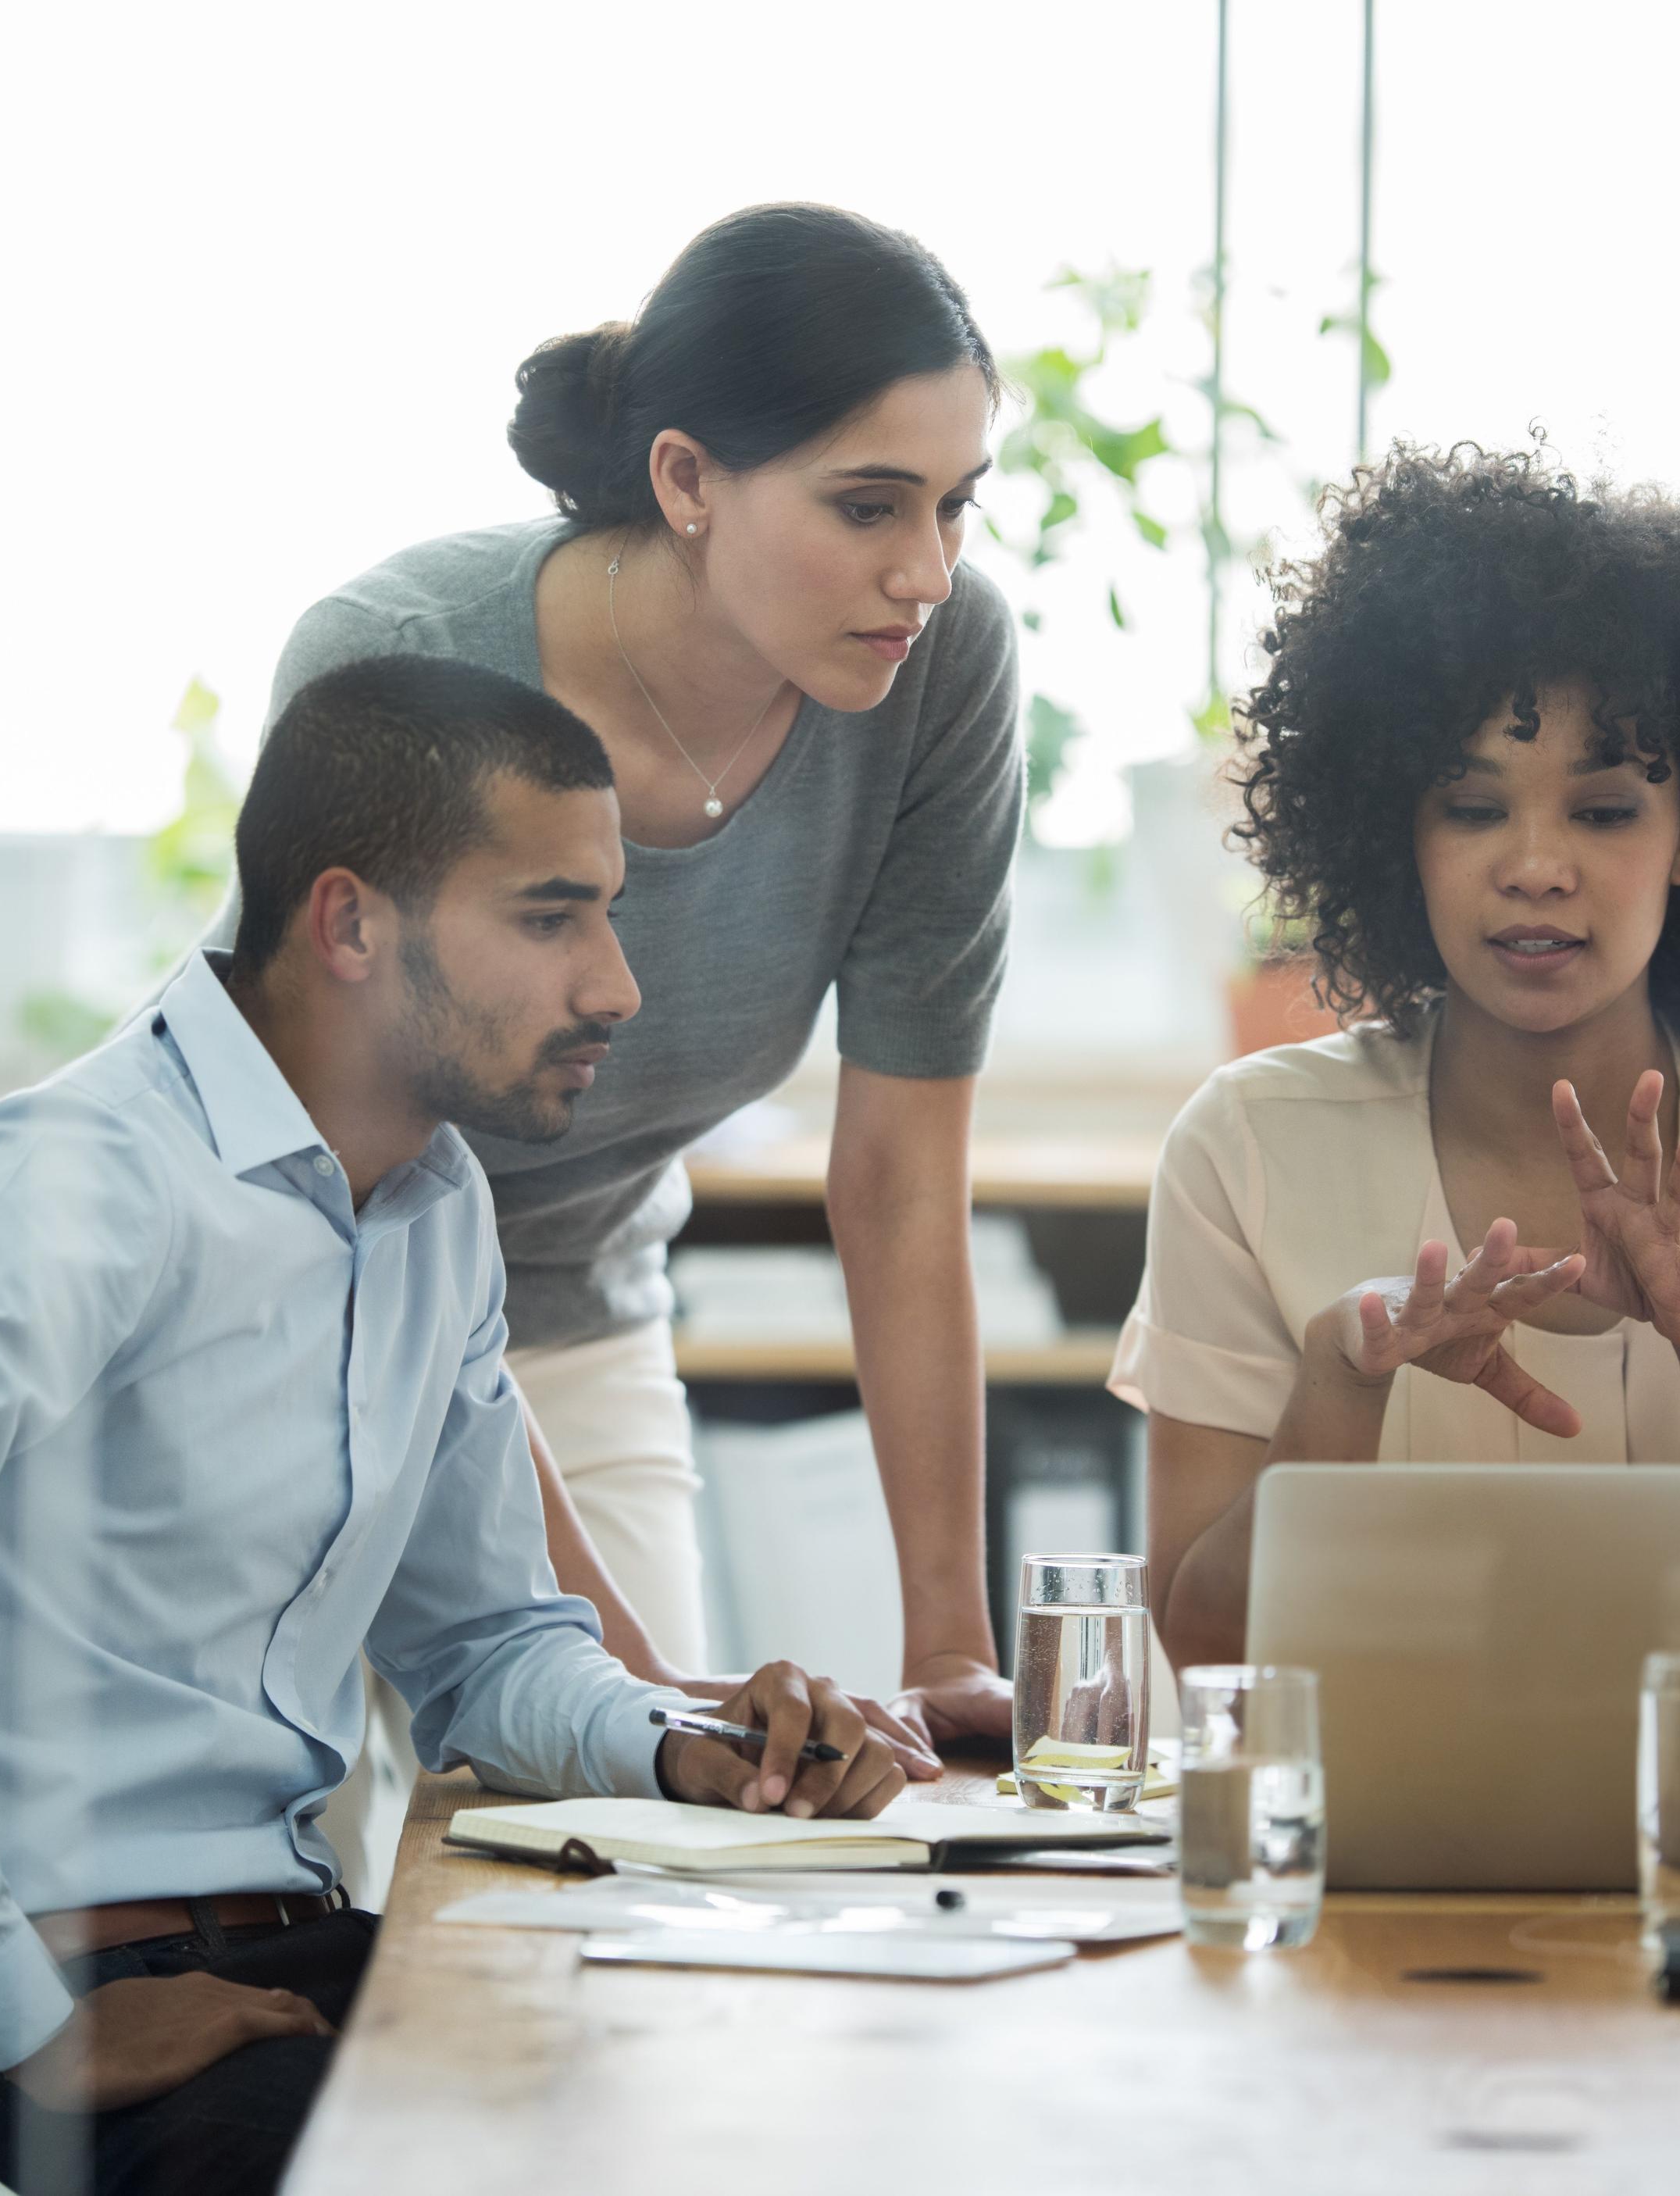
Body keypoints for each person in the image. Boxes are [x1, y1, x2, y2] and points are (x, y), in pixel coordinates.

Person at [0, 655, 904, 2196]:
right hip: (63, 1989)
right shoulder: (73, 1182)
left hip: (297, 1950)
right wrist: (19, 2014)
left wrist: (689, 1747)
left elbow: (483, 1649)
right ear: (349, 923)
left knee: (764, 2097)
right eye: (550, 916)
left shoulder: (434, 1202)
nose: (615, 985)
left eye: (609, 912)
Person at [217, 202, 1025, 1761]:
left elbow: (904, 1180)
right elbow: (365, 1205)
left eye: (955, 505)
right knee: (357, 1902)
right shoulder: (400, 663)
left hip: (578, 1317)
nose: (923, 570)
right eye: (868, 506)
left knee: (624, 1896)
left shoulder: (940, 672)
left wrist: (952, 1651)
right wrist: (635, 1693)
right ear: (685, 479)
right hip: (302, 1316)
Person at [1115, 444, 1680, 1667]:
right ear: (1402, 831)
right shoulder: (1248, 1147)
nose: (1536, 864)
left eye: (1602, 811)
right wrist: (1339, 1379)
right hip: (1369, 1849)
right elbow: (1203, 1658)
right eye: (1474, 808)